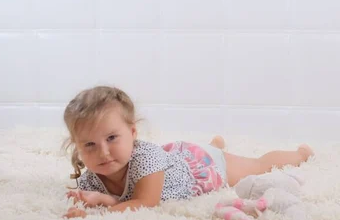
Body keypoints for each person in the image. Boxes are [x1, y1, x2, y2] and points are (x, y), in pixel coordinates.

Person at [62, 86, 313, 218]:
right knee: (212, 149)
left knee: (258, 166)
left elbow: (145, 202)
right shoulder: (91, 179)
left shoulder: (146, 157)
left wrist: (98, 213)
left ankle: (300, 154)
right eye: (90, 145)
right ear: (77, 146)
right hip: (177, 159)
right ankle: (215, 144)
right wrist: (99, 199)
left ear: (133, 133)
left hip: (203, 166)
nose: (103, 152)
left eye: (112, 138)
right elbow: (126, 198)